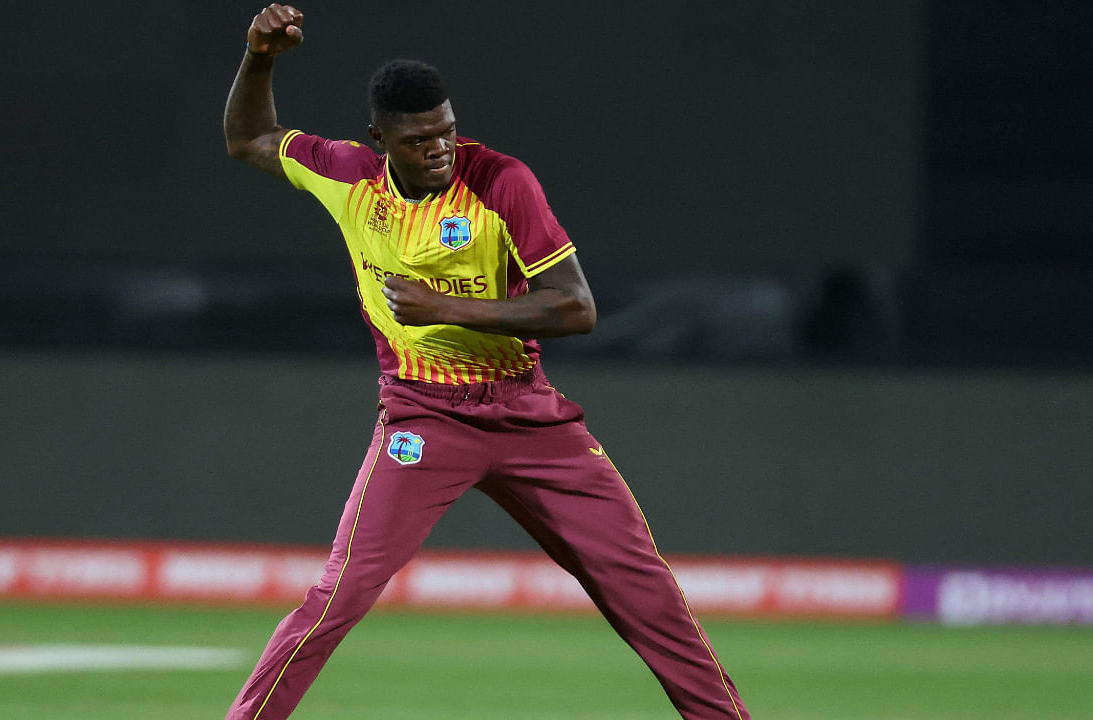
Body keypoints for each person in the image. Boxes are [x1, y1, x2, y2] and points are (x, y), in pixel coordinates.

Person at [221, 5, 749, 719]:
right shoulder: (347, 176)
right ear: (380, 139)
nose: (440, 148)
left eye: (446, 130)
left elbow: (576, 308)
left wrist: (445, 306)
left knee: (645, 592)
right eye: (418, 139)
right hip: (423, 417)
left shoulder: (501, 181)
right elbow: (249, 136)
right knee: (338, 593)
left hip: (529, 416)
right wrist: (259, 56)